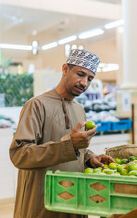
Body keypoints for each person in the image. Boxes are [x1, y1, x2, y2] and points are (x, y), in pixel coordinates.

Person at [9, 49, 115, 218]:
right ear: (65, 69)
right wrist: (70, 144)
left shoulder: (80, 110)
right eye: (80, 74)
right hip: (43, 202)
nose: (84, 83)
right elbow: (19, 154)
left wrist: (89, 158)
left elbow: (75, 149)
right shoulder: (37, 105)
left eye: (90, 78)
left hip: (75, 201)